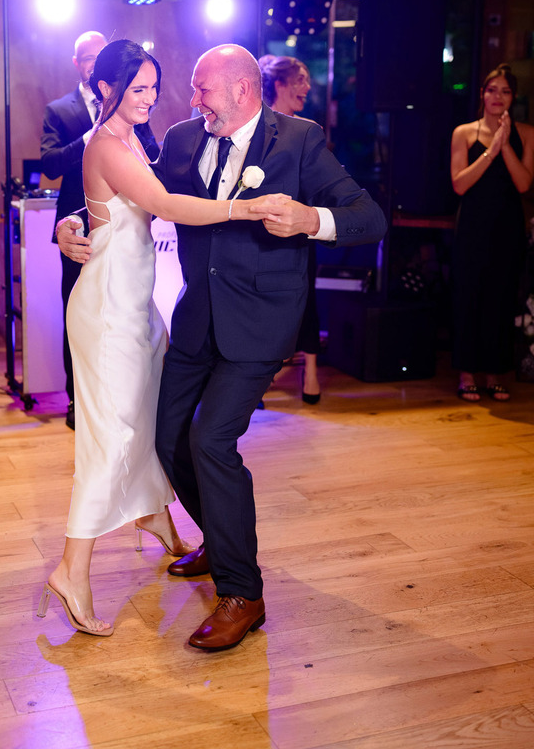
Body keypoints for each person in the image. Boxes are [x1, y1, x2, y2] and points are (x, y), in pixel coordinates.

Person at [59, 43, 387, 650]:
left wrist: (311, 220)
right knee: (165, 435)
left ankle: (243, 594)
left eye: (202, 89)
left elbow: (370, 217)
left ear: (241, 89)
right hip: (196, 322)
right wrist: (76, 220)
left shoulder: (299, 140)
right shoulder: (184, 138)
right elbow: (134, 191)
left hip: (260, 322)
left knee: (210, 439)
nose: (192, 100)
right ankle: (221, 535)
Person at [38, 40, 285, 637]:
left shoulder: (131, 139)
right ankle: (72, 569)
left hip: (136, 308)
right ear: (106, 89)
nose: (151, 98)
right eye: (138, 89)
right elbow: (164, 204)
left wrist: (76, 220)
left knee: (146, 420)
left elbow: (102, 207)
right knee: (111, 437)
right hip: (107, 313)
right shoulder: (106, 143)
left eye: (154, 87)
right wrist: (246, 209)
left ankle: (151, 513)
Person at [41, 31, 158, 429]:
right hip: (79, 230)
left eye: (99, 55)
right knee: (78, 313)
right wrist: (92, 135)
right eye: (87, 57)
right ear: (78, 64)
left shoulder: (135, 107)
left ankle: (123, 406)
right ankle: (78, 400)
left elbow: (152, 165)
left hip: (123, 231)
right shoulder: (60, 110)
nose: (93, 62)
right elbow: (50, 164)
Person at [450, 63, 534, 402]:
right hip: (473, 225)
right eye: (492, 90)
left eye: (506, 91)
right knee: (469, 296)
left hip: (507, 226)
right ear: (483, 94)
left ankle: (495, 373)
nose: (498, 96)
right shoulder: (463, 132)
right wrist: (491, 149)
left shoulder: (526, 133)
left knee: (501, 298)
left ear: (513, 97)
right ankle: (467, 373)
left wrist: (506, 144)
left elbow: (524, 184)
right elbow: (459, 184)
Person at [259, 54, 321, 403]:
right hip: (262, 226)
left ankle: (310, 371)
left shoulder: (308, 129)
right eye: (300, 80)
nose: (307, 87)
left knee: (306, 296)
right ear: (279, 84)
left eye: (307, 80)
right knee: (263, 301)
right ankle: (259, 372)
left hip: (300, 228)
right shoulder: (256, 125)